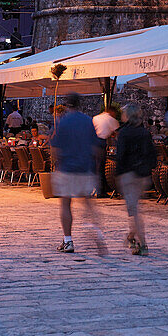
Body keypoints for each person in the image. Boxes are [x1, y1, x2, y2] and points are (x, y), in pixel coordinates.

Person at [50, 93, 105, 254]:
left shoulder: (62, 123)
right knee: (89, 205)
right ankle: (98, 235)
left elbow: (55, 149)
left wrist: (56, 164)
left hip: (67, 168)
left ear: (67, 105)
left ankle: (68, 240)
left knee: (66, 205)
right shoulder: (88, 121)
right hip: (85, 168)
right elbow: (97, 148)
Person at [114, 103, 156, 255]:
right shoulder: (144, 132)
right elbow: (152, 153)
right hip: (142, 174)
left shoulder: (124, 133)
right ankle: (131, 237)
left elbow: (120, 156)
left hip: (128, 174)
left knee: (134, 211)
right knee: (134, 207)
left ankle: (143, 244)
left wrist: (118, 175)